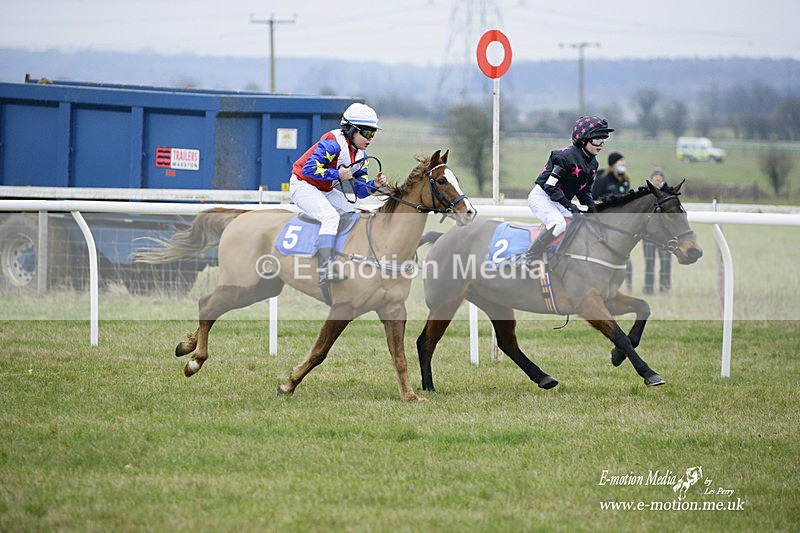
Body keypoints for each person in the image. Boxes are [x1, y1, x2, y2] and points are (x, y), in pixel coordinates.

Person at [289, 103, 389, 288]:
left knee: (356, 212)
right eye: (366, 133)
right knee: (330, 216)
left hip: (324, 190)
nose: (370, 139)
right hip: (302, 185)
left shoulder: (362, 157)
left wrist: (374, 185)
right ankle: (325, 268)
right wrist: (338, 175)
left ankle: (347, 256)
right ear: (351, 130)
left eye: (373, 134)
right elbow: (308, 168)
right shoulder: (332, 143)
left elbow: (359, 192)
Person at [519, 115, 614, 268]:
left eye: (603, 140)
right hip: (542, 196)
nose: (601, 144)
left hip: (558, 199)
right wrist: (570, 205)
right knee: (558, 224)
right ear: (583, 140)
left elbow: (584, 191)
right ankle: (528, 257)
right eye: (597, 140)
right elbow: (550, 187)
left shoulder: (593, 164)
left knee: (580, 223)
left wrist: (594, 206)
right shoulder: (564, 157)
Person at [591, 151, 633, 290]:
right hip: (604, 225)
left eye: (624, 161)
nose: (624, 164)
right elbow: (593, 198)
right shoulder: (602, 179)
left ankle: (628, 286)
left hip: (621, 226)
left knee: (626, 258)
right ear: (613, 163)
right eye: (621, 161)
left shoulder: (625, 180)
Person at [642, 167, 673, 294]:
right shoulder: (644, 191)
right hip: (649, 234)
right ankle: (648, 287)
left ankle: (664, 287)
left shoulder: (669, 192)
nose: (657, 177)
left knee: (666, 261)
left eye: (660, 175)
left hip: (665, 234)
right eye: (655, 175)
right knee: (649, 262)